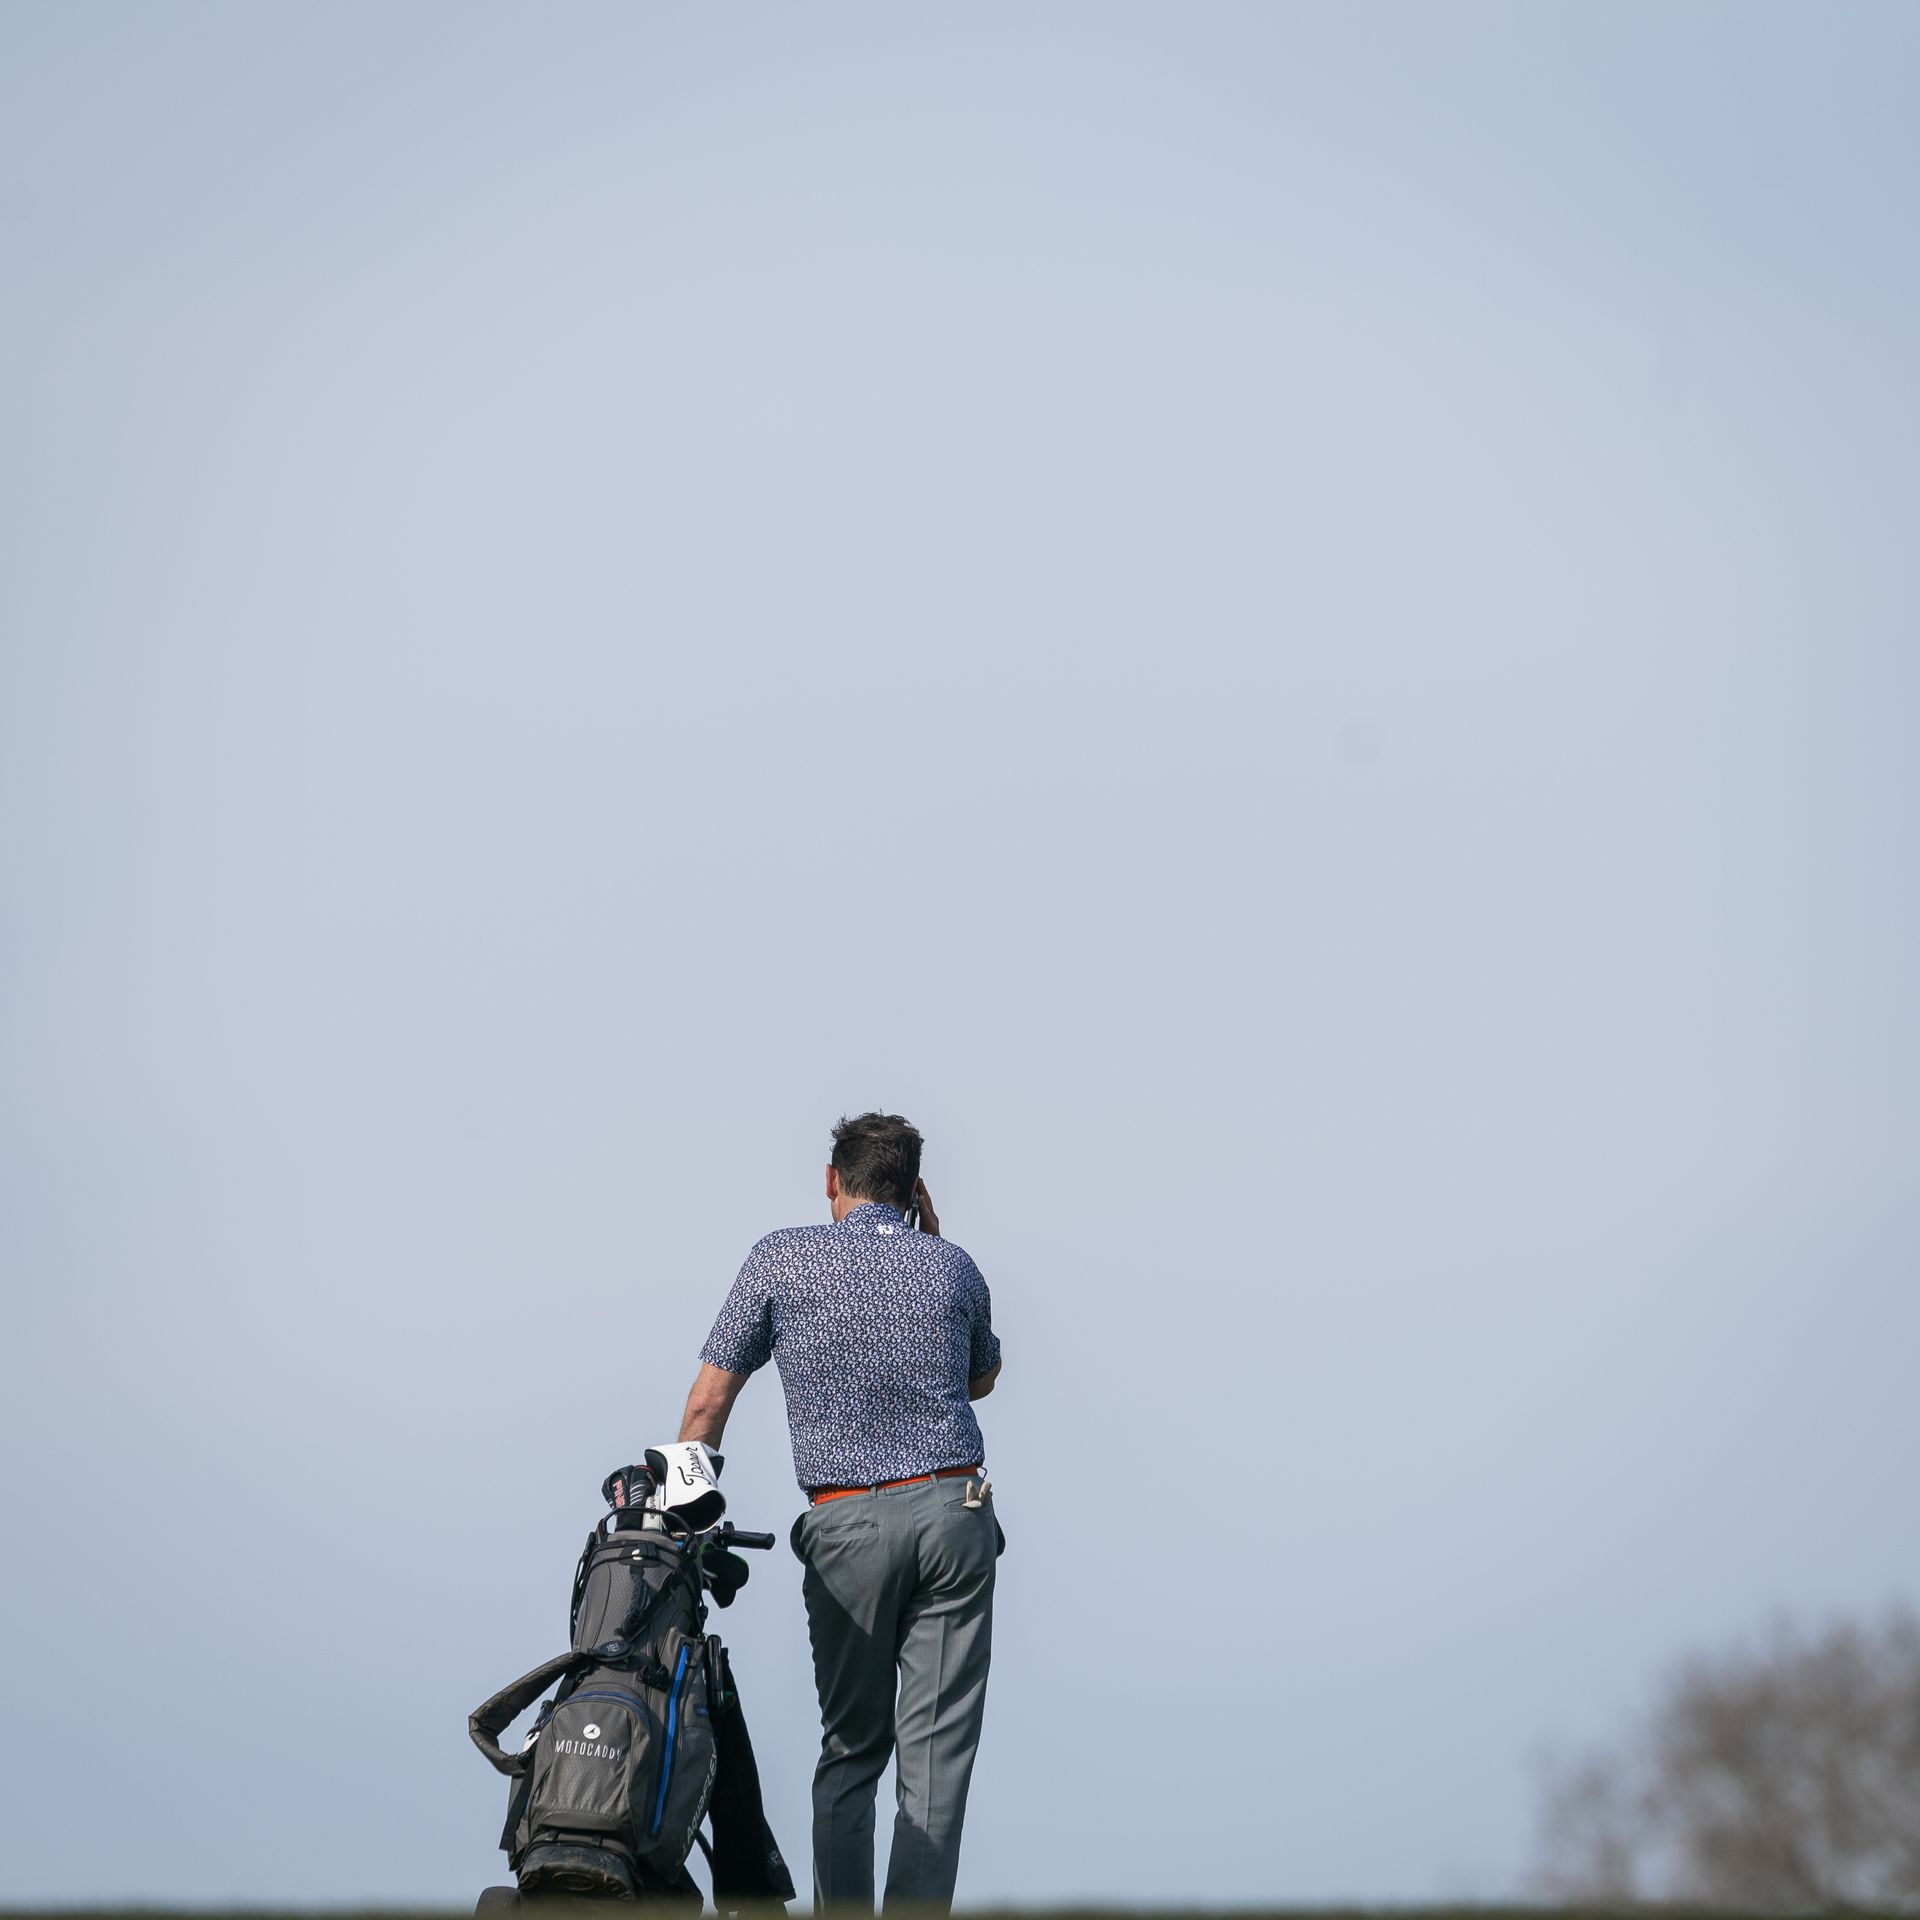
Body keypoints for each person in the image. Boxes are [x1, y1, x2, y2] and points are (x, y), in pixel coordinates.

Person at [676, 1111, 1003, 1914]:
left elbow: (708, 1403)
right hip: (953, 1513)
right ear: (914, 1189)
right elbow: (978, 1379)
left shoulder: (780, 1258)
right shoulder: (953, 1265)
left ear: (832, 1179)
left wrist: (677, 1516)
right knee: (935, 1762)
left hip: (846, 1521)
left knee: (853, 1750)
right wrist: (934, 1247)